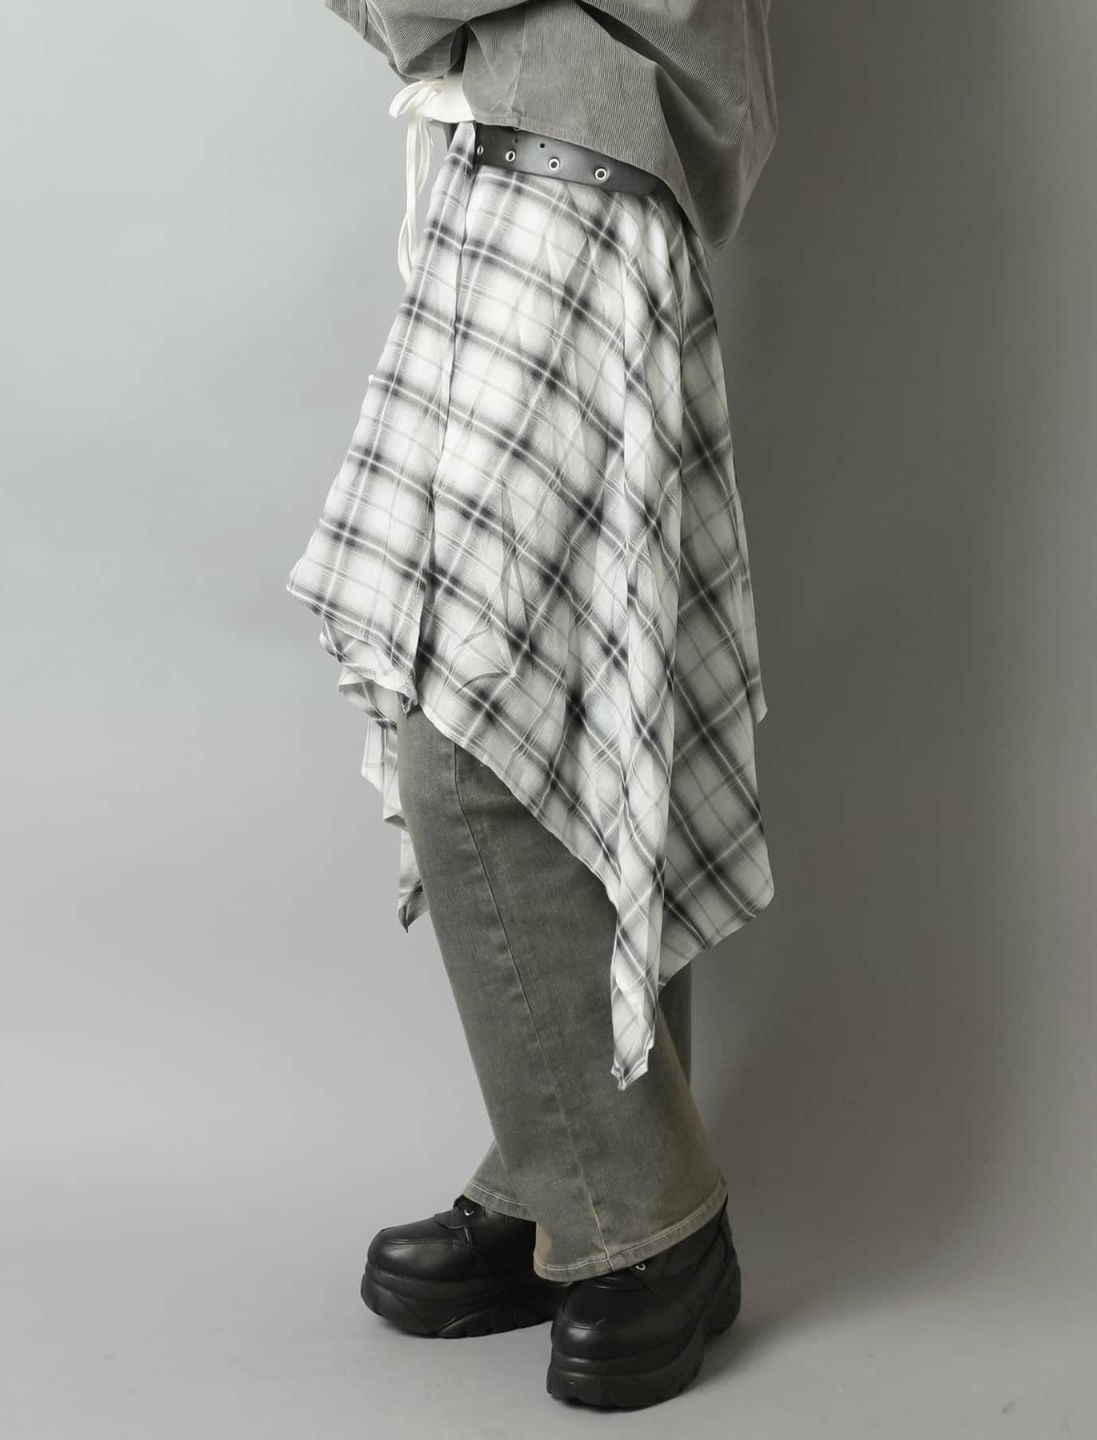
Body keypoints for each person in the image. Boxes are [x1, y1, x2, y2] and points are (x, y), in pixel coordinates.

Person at [286, 0, 777, 1410]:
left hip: (578, 190)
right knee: (582, 714)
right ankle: (564, 1167)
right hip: (512, 176)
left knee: (476, 738)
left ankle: (654, 1222)